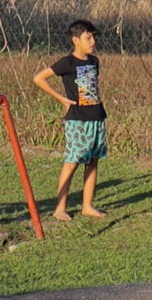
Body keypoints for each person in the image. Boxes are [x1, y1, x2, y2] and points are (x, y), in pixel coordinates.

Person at [33, 19, 109, 221]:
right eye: (88, 37)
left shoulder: (94, 61)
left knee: (93, 162)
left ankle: (87, 206)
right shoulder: (67, 63)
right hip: (77, 120)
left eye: (93, 36)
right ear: (76, 40)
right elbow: (39, 78)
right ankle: (60, 208)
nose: (92, 41)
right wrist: (61, 99)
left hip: (97, 117)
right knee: (72, 161)